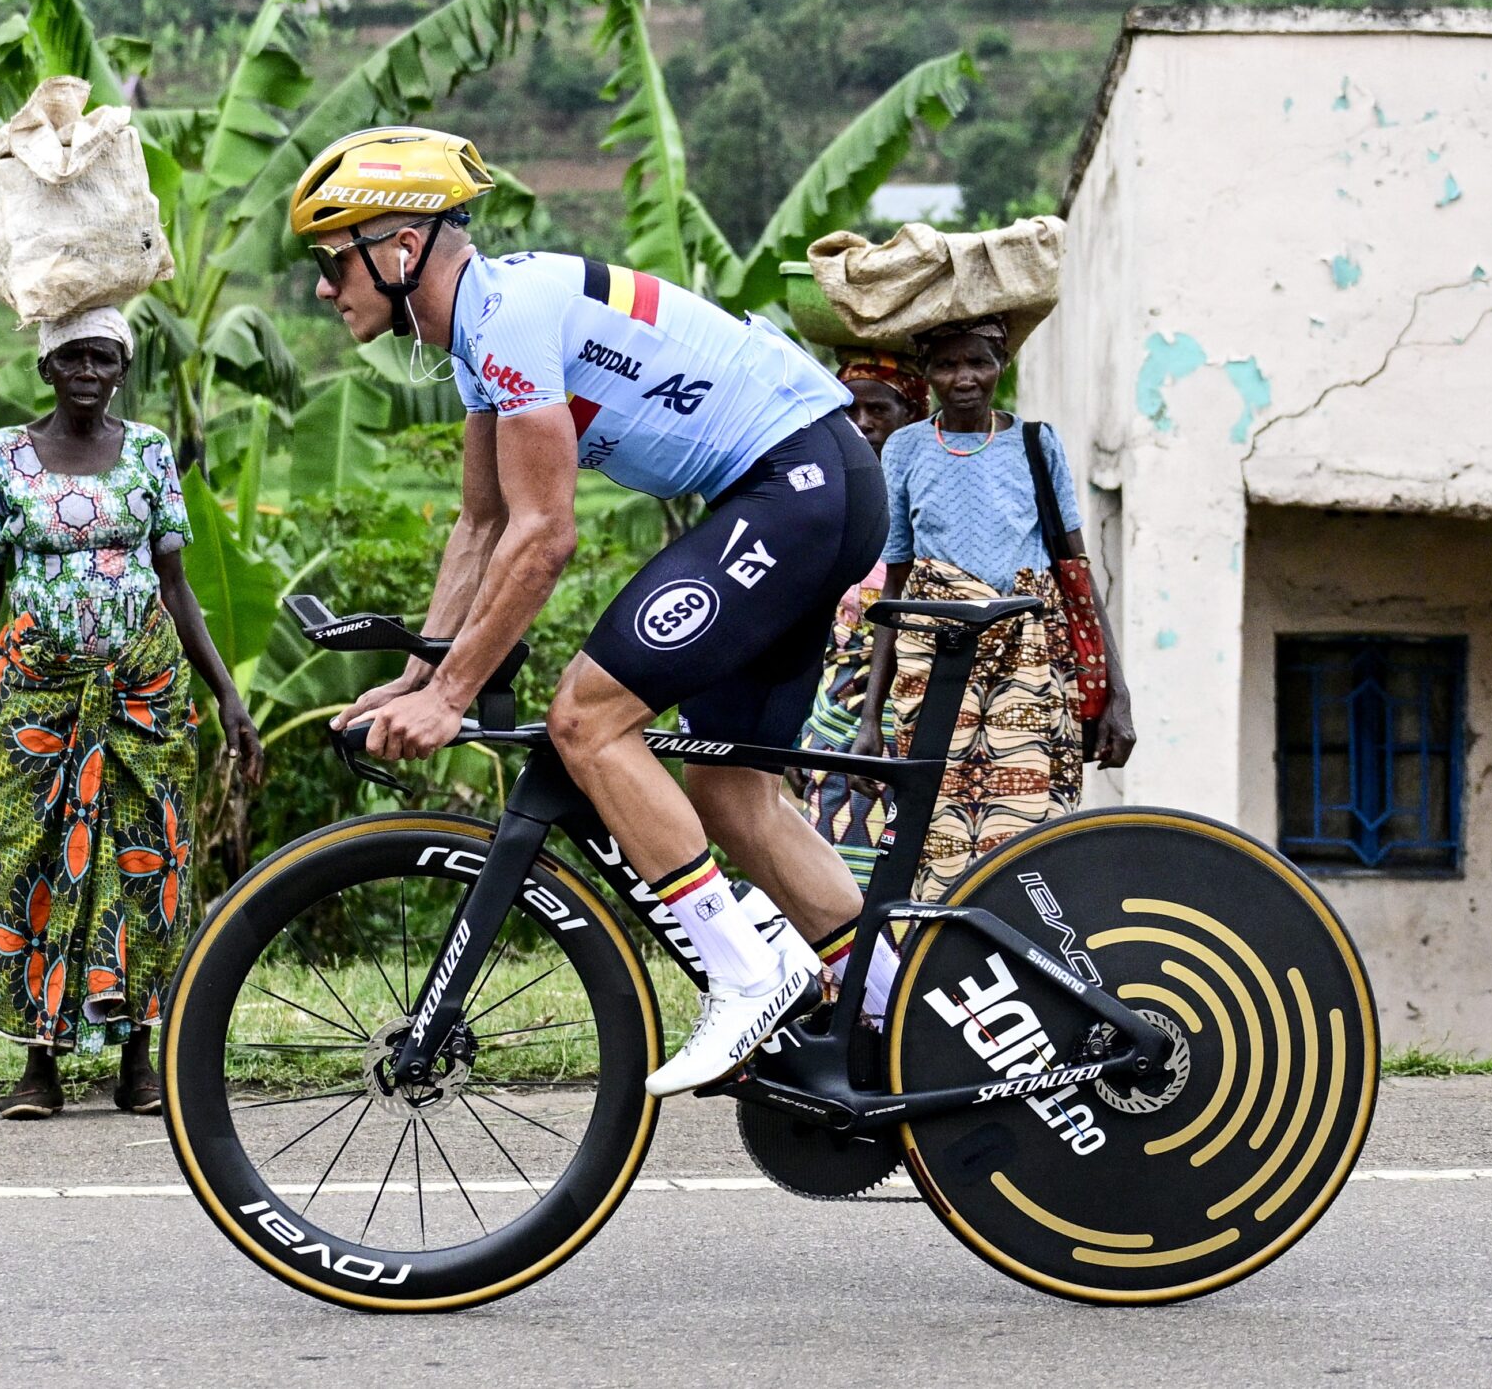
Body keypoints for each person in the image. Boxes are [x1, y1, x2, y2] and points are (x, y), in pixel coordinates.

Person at [301, 125, 884, 1096]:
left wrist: (452, 697)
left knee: (587, 718)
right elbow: (483, 523)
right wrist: (418, 674)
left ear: (400, 249)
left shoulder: (508, 319)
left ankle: (748, 974)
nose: (325, 288)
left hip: (794, 484)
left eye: (333, 262)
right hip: (810, 483)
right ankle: (906, 1020)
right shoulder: (483, 332)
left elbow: (545, 534)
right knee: (731, 797)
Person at [0, 308, 265, 1120]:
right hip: (37, 693)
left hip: (144, 696)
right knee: (29, 860)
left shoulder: (150, 451)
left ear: (123, 370)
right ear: (46, 367)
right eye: (74, 357)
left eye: (105, 359)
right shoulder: (5, 456)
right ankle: (38, 1063)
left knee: (147, 861)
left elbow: (176, 584)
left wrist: (227, 693)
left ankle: (138, 1061)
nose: (88, 372)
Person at [855, 315, 1137, 903]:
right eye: (946, 364)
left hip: (1027, 665)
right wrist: (870, 718)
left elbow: (1076, 571)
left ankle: (1023, 942)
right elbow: (894, 588)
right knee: (934, 824)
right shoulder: (905, 448)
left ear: (1001, 365)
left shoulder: (1036, 443)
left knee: (1025, 823)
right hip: (934, 665)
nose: (964, 378)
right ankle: (940, 952)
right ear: (927, 373)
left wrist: (1118, 691)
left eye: (978, 362)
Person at [790, 350, 927, 886]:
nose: (863, 424)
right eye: (850, 411)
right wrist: (794, 733)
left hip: (911, 719)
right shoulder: (830, 501)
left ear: (912, 416)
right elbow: (808, 631)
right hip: (831, 723)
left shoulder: (927, 506)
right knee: (831, 879)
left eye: (879, 410)